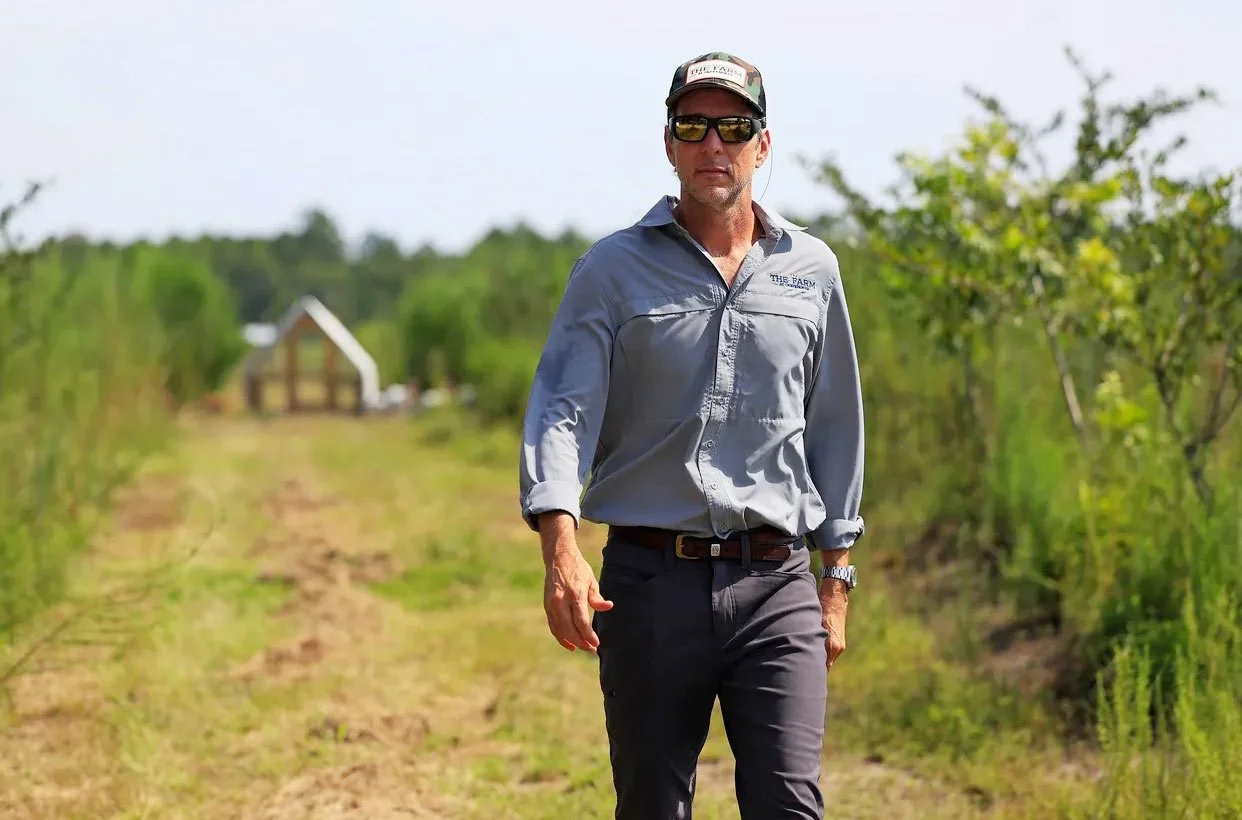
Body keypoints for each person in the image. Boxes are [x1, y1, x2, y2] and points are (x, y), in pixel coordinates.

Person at [518, 50, 865, 820]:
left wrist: (835, 584)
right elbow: (562, 412)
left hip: (776, 582)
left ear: (762, 145)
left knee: (788, 806)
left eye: (734, 127)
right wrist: (560, 548)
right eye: (694, 125)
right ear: (669, 142)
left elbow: (837, 430)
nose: (715, 145)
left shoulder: (812, 271)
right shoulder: (611, 271)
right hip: (651, 582)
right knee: (652, 806)